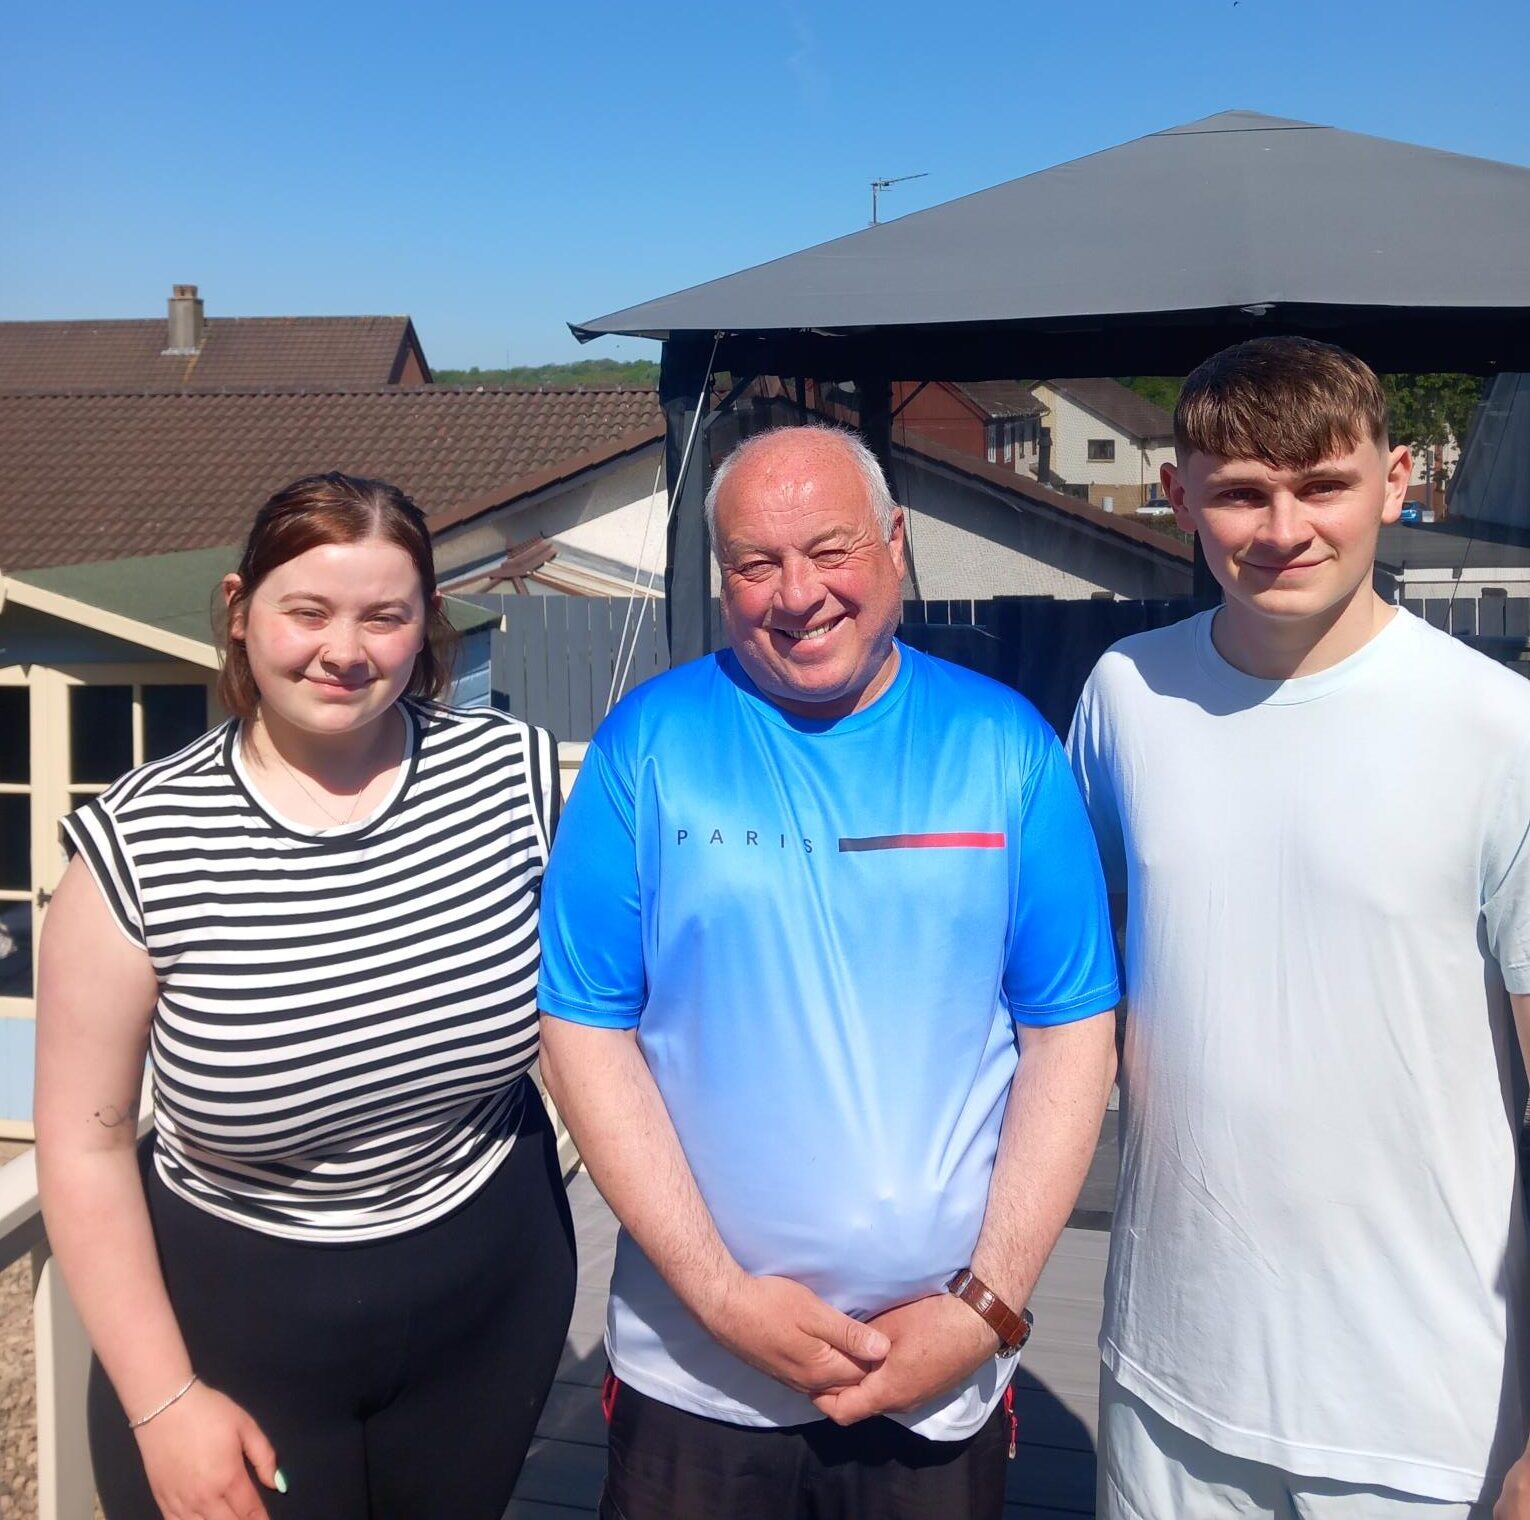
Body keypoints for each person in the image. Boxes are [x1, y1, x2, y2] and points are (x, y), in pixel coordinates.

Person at [537, 423, 1121, 1520]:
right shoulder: (643, 747)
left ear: (895, 544)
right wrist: (715, 1294)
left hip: (937, 1377)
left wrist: (987, 1303)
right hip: (694, 1376)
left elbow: (1070, 1032)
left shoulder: (1004, 746)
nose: (797, 594)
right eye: (756, 563)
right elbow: (582, 1028)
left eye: (830, 548)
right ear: (721, 581)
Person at [35, 472, 576, 1520]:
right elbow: (84, 1139)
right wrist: (163, 1401)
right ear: (241, 613)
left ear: (427, 627)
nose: (347, 648)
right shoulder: (137, 842)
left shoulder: (509, 774)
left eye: (387, 614)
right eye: (308, 610)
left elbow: (595, 1021)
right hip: (231, 1325)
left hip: (487, 1302)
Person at [1067, 338, 1530, 1520]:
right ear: (1180, 498)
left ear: (1396, 477)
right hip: (1168, 1385)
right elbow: (1068, 996)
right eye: (1240, 490)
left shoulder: (1498, 727)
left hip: (1429, 1420)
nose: (1283, 528)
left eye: (1322, 483)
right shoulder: (1124, 694)